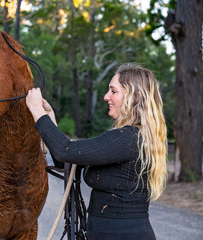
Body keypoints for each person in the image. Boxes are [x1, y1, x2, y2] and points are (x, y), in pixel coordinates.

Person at [26, 63, 167, 240]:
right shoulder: (129, 138)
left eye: (113, 91)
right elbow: (68, 161)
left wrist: (37, 111)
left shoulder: (128, 138)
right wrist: (50, 118)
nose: (106, 96)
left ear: (135, 97)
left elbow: (65, 151)